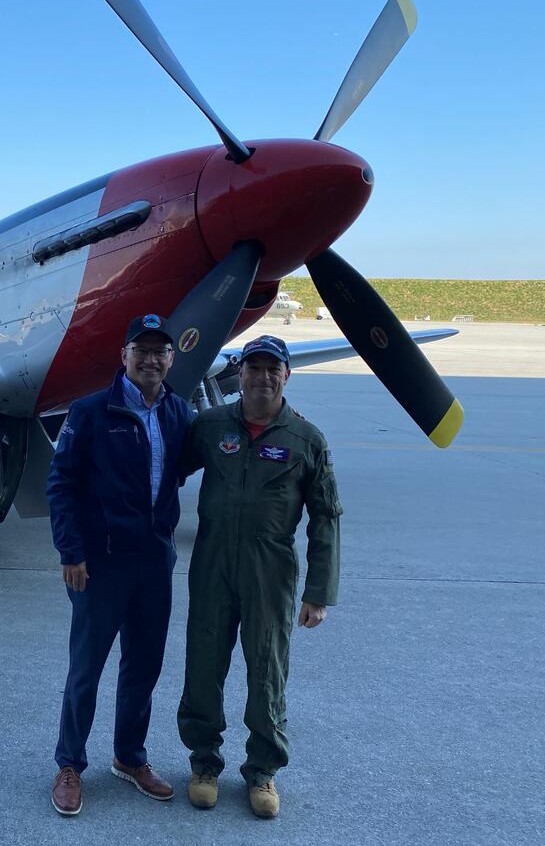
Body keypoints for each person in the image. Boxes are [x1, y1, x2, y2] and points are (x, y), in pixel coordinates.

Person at [176, 334, 341, 819]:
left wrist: (318, 591)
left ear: (286, 375)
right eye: (255, 368)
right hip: (211, 565)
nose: (263, 377)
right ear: (240, 374)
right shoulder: (209, 426)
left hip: (270, 571)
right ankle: (204, 764)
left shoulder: (306, 439)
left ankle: (263, 770)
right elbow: (164, 475)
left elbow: (326, 517)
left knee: (266, 670)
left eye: (274, 369)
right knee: (204, 664)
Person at [47, 313, 196, 817]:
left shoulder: (178, 412)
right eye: (142, 349)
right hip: (101, 565)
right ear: (124, 355)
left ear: (171, 359)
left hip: (155, 562)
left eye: (161, 351)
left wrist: (288, 421)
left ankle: (129, 757)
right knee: (86, 668)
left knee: (144, 667)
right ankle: (69, 764)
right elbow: (61, 484)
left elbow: (219, 448)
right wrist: (71, 552)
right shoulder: (90, 412)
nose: (151, 359)